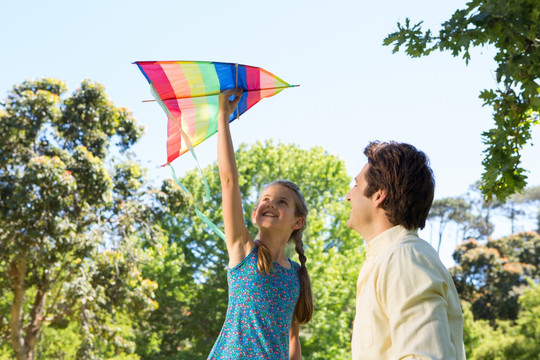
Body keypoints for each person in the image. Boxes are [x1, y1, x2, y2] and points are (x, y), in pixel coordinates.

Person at [207, 89, 313, 360]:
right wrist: (223, 116)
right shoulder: (243, 252)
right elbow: (228, 181)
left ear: (297, 222)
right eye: (265, 199)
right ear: (254, 214)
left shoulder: (296, 276)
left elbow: (292, 340)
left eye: (281, 202)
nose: (270, 204)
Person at [346, 141, 466, 360]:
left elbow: (424, 356)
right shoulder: (387, 259)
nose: (348, 195)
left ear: (379, 195)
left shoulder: (403, 257)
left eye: (356, 185)